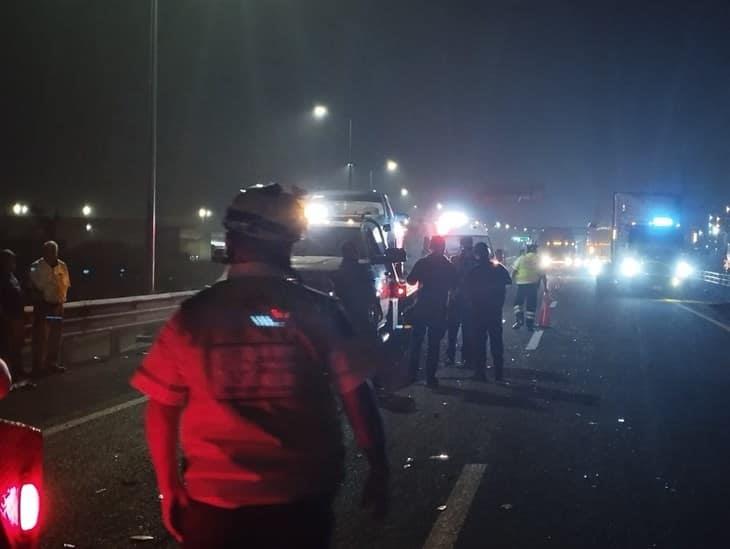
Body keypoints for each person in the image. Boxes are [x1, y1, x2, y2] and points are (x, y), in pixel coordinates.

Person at [131, 184, 389, 548]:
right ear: (288, 242)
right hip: (300, 501)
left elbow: (161, 407)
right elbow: (356, 395)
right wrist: (378, 466)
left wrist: (169, 486)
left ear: (234, 239)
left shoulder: (193, 315)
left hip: (214, 507)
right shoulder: (319, 310)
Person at [406, 235, 457, 387]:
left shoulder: (423, 263)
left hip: (422, 306)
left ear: (430, 247)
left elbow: (410, 281)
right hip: (438, 308)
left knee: (416, 343)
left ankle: (412, 375)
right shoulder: (448, 266)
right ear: (443, 247)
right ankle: (430, 377)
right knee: (434, 344)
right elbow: (455, 287)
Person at [465, 242, 512, 382]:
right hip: (494, 312)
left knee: (479, 343)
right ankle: (498, 373)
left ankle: (480, 373)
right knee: (496, 342)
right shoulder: (499, 269)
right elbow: (507, 282)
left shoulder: (474, 271)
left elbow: (467, 290)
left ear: (477, 254)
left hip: (478, 312)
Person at [29, 241, 70, 376]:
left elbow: (66, 284)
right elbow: (32, 287)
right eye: (49, 250)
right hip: (43, 307)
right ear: (44, 252)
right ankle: (38, 367)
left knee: (55, 336)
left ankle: (51, 364)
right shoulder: (36, 266)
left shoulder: (62, 265)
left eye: (54, 251)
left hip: (57, 306)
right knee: (41, 338)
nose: (52, 253)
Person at [331, 240, 382, 334]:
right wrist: (375, 303)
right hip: (359, 309)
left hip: (347, 309)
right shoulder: (362, 270)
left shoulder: (339, 271)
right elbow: (370, 288)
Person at [1, 249, 31, 385]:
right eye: (11, 260)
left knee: (18, 345)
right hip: (8, 318)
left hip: (18, 316)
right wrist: (5, 317)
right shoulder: (2, 277)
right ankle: (10, 375)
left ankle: (18, 370)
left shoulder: (12, 276)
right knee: (9, 348)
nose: (14, 263)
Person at [447, 236, 477, 367]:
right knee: (465, 330)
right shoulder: (474, 261)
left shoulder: (456, 260)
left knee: (456, 330)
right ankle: (465, 358)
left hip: (459, 299)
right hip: (467, 300)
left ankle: (453, 357)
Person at [511, 243, 544, 331]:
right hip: (533, 285)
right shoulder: (538, 259)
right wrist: (546, 287)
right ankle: (530, 325)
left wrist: (510, 281)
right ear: (535, 250)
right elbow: (542, 274)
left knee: (517, 303)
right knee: (531, 306)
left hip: (521, 285)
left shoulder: (521, 258)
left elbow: (514, 271)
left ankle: (519, 320)